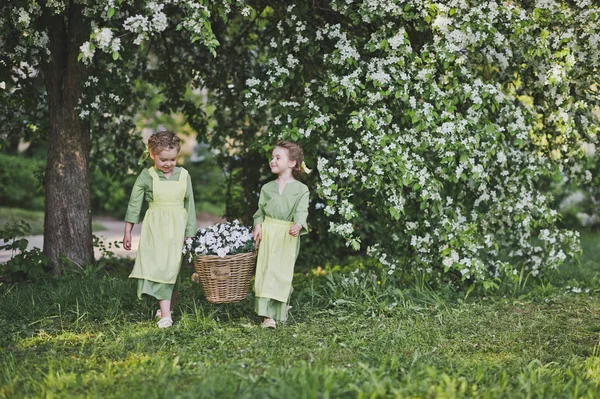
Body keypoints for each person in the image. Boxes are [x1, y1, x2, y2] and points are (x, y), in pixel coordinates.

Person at [123, 131, 197, 328]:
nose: (168, 164)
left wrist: (190, 233)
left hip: (178, 228)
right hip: (156, 229)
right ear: (152, 155)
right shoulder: (147, 176)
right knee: (161, 267)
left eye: (173, 159)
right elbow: (134, 204)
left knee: (173, 268)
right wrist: (128, 230)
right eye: (164, 159)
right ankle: (166, 315)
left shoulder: (184, 175)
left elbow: (190, 205)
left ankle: (167, 307)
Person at [252, 140, 310, 328]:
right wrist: (258, 225)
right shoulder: (267, 188)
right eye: (272, 157)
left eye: (278, 157)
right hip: (269, 232)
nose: (273, 161)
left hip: (287, 234)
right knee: (266, 271)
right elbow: (259, 211)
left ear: (292, 163)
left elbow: (302, 210)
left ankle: (279, 309)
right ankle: (266, 315)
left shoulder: (301, 190)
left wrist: (299, 224)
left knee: (281, 272)